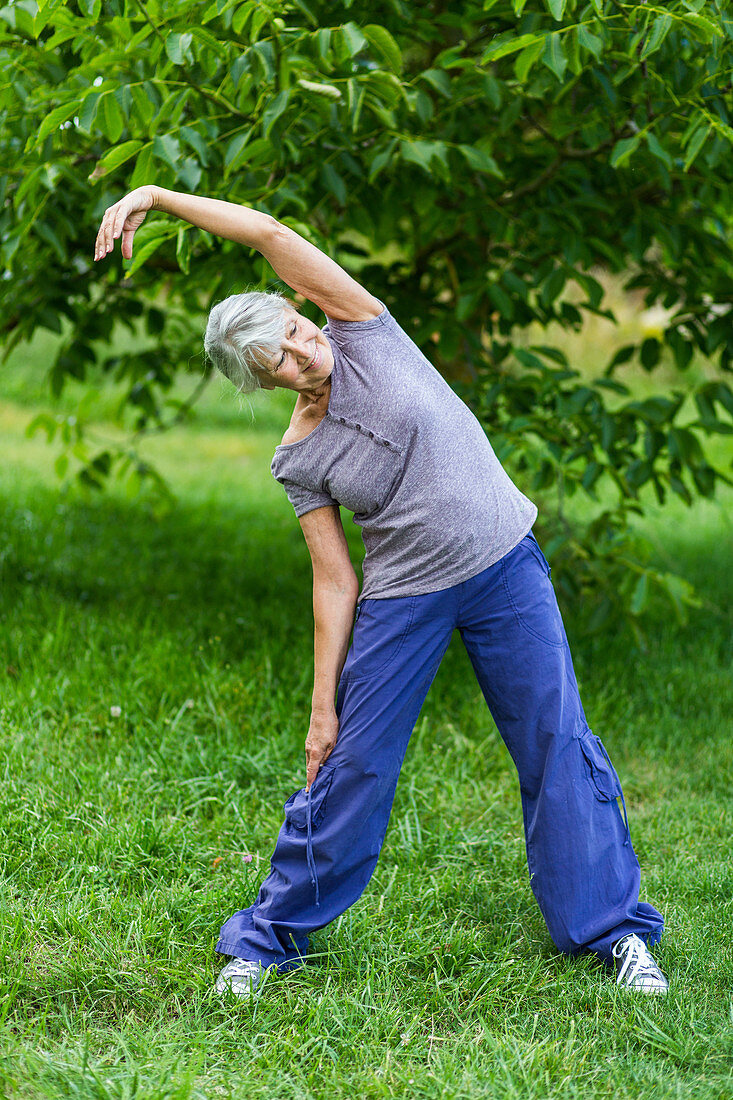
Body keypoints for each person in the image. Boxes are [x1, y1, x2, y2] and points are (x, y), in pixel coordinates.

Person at [94, 186, 668, 997]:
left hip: (505, 564)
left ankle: (611, 933)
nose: (303, 355)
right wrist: (321, 706)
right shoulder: (297, 456)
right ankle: (265, 941)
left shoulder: (363, 330)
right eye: (281, 362)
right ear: (263, 383)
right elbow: (335, 581)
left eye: (294, 332)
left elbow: (263, 231)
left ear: (300, 310)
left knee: (555, 742)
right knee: (353, 766)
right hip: (404, 599)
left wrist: (157, 196)